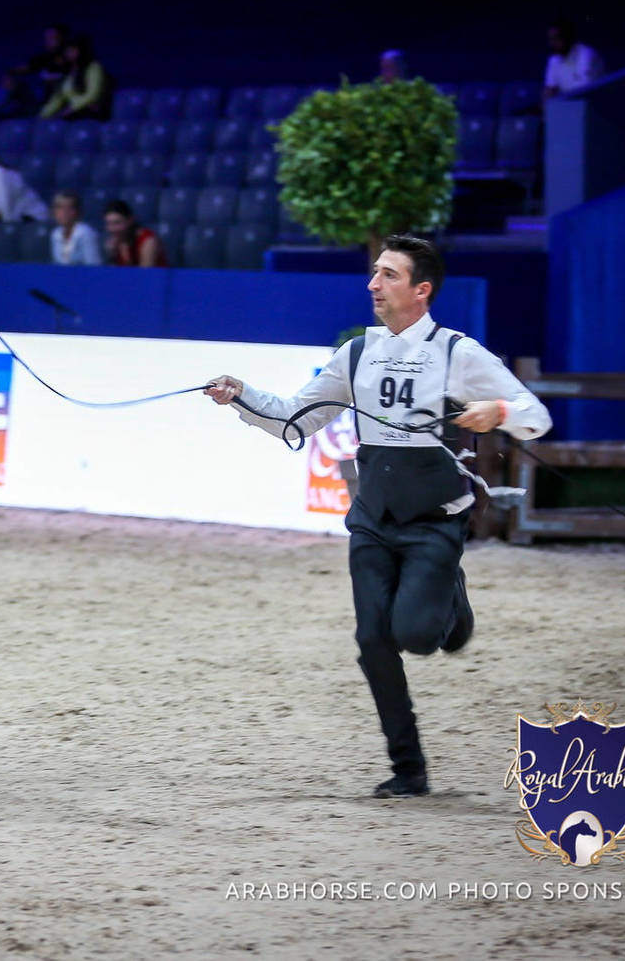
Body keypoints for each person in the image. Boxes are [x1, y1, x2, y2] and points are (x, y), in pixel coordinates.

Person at [203, 235, 552, 799]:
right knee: (372, 640)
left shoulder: (457, 352)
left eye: (388, 275)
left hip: (434, 520)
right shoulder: (356, 353)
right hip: (371, 518)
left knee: (415, 635)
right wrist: (241, 396)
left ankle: (451, 597)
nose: (373, 284)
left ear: (421, 290)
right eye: (374, 274)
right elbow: (297, 419)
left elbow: (536, 417)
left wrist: (503, 410)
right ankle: (408, 769)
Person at [40, 35, 110, 120]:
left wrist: (71, 108)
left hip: (89, 110)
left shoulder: (93, 67)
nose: (69, 53)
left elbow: (92, 94)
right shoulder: (67, 72)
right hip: (71, 111)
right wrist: (42, 116)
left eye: (73, 49)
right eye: (67, 50)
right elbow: (58, 98)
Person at [544, 20, 604, 99]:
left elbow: (585, 92)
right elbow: (549, 91)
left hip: (595, 105)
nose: (552, 44)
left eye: (556, 38)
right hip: (571, 106)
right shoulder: (554, 60)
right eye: (551, 39)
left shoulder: (586, 55)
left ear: (568, 37)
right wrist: (546, 109)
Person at [102, 199, 165, 267]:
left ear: (130, 220)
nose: (112, 229)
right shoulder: (114, 243)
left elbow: (145, 274)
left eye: (117, 223)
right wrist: (112, 255)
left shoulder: (148, 240)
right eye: (108, 223)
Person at [50, 191, 101, 265]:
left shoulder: (86, 234)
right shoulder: (55, 234)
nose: (64, 212)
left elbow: (94, 266)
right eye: (59, 207)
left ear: (78, 211)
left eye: (69, 208)